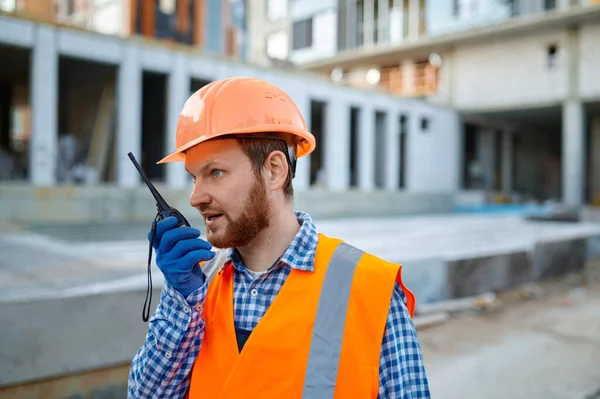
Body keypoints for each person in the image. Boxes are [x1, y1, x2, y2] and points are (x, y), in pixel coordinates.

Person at [128, 77, 431, 398]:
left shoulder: (372, 293)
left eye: (215, 172)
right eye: (193, 177)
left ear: (274, 170)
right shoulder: (197, 288)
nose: (195, 197)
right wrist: (181, 301)